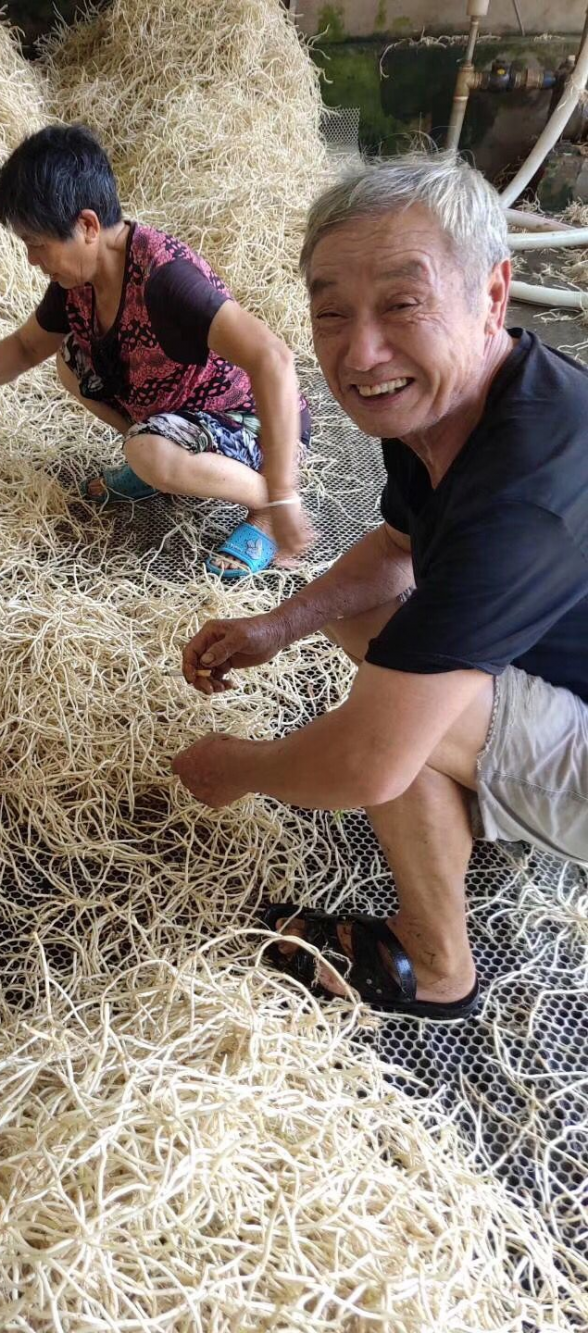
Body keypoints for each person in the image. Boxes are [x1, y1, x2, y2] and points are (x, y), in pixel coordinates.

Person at [172, 155, 588, 1021]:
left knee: (385, 721)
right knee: (379, 642)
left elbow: (368, 759)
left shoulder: (528, 488)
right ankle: (475, 785)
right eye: (332, 313)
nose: (360, 353)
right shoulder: (447, 399)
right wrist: (274, 627)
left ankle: (435, 965)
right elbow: (397, 547)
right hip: (555, 666)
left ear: (494, 297)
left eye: (403, 304)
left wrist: (238, 770)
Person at [0, 124, 313, 578]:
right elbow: (28, 345)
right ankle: (162, 467)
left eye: (37, 244)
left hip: (248, 420)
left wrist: (283, 491)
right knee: (70, 362)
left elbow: (275, 359)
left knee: (146, 452)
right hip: (177, 411)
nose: (32, 259)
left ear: (87, 225)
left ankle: (264, 505)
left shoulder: (165, 279)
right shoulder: (76, 282)